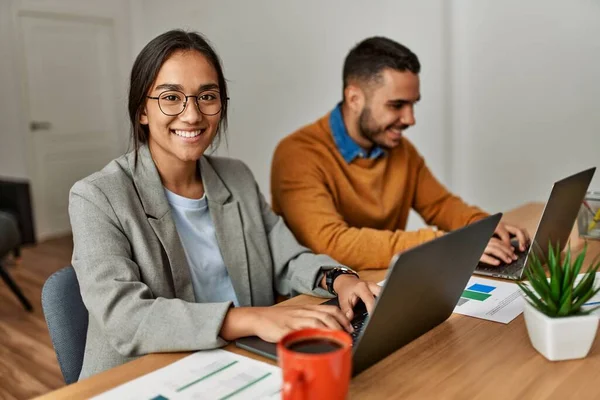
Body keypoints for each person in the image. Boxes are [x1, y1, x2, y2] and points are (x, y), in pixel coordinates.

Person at [69, 30, 380, 379]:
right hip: (147, 377)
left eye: (207, 96)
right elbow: (124, 317)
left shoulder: (237, 177)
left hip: (239, 363)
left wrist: (339, 280)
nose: (192, 115)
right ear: (142, 110)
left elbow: (287, 258)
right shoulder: (96, 197)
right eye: (171, 97)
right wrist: (251, 318)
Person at [271, 36, 530, 271]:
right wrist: (449, 244)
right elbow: (331, 243)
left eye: (412, 104)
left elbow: (440, 205)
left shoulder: (399, 150)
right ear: (354, 98)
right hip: (316, 301)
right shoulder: (297, 155)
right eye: (397, 105)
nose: (410, 119)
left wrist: (480, 225)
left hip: (378, 283)